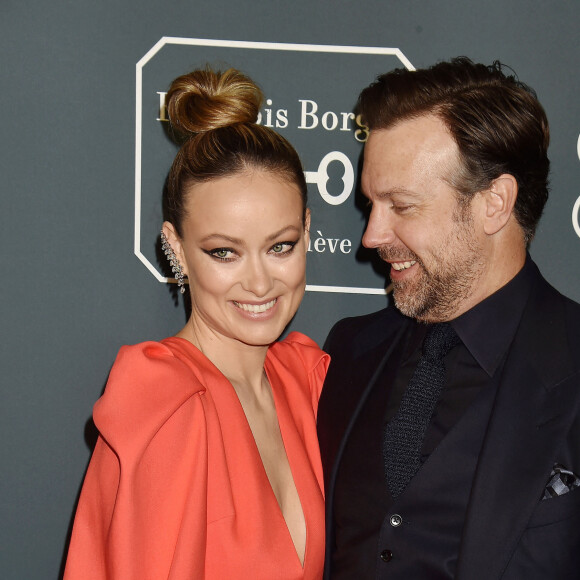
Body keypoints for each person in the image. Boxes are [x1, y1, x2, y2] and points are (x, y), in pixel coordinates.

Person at [317, 57, 580, 579]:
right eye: (372, 203)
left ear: (494, 203)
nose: (371, 236)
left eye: (402, 205)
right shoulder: (348, 351)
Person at [64, 67, 329, 579]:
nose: (259, 283)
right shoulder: (167, 402)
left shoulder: (305, 381)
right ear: (178, 249)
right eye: (224, 252)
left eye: (280, 246)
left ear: (308, 232)